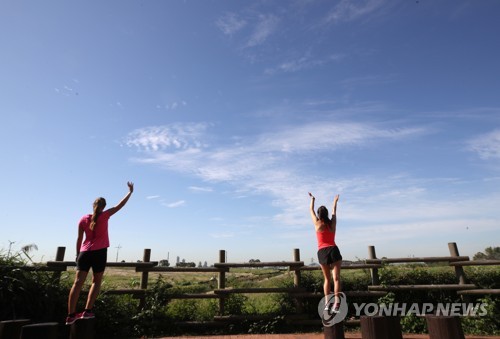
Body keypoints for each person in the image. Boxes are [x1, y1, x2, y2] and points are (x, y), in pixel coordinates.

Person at [66, 182, 134, 325]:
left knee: (77, 283)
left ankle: (70, 315)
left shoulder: (83, 219)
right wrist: (130, 192)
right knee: (96, 282)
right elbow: (120, 205)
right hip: (99, 253)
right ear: (103, 207)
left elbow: (79, 239)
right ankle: (87, 311)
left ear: (93, 205)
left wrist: (77, 255)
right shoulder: (105, 215)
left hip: (84, 253)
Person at [309, 192, 342, 313]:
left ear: (319, 214)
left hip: (322, 252)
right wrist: (335, 201)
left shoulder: (317, 224)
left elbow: (310, 209)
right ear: (326, 213)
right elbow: (334, 211)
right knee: (336, 279)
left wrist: (313, 199)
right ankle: (337, 305)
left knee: (327, 279)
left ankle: (328, 304)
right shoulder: (332, 223)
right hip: (333, 250)